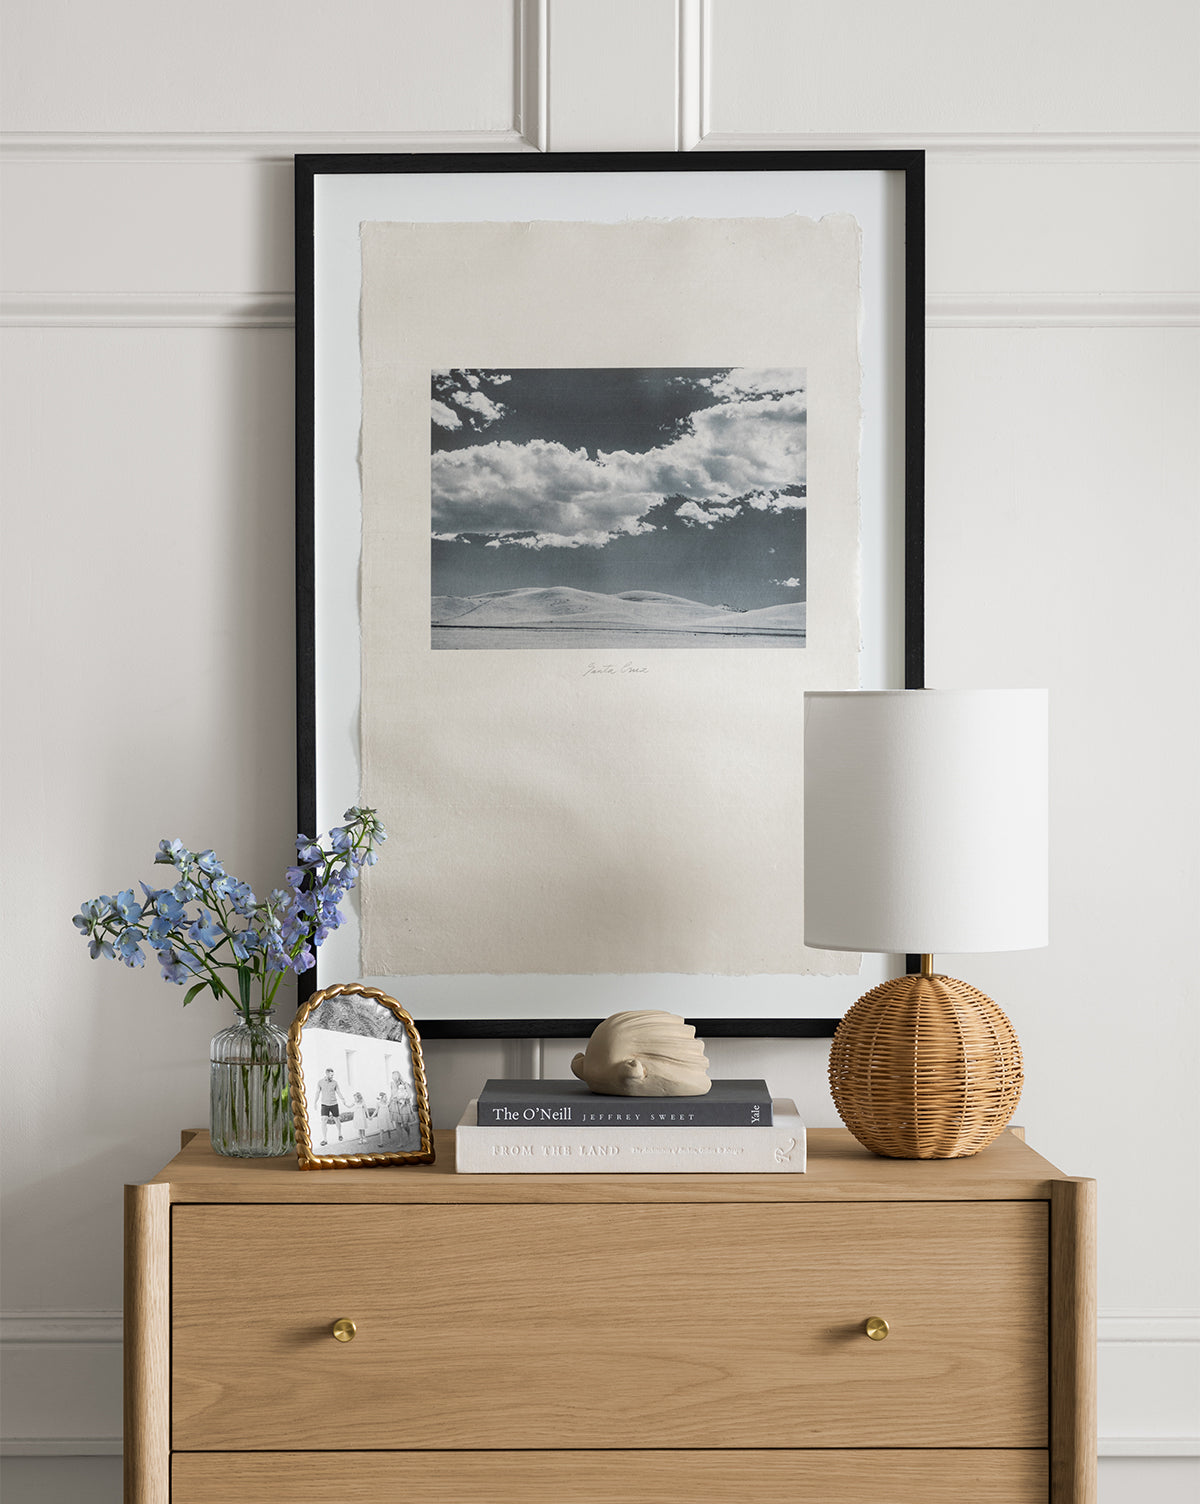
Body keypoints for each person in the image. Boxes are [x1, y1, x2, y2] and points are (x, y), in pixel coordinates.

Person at [312, 1068, 347, 1147]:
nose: (332, 1076)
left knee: (336, 1119)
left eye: (333, 1075)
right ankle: (325, 1139)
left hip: (334, 1104)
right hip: (324, 1104)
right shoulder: (320, 1082)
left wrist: (343, 1099)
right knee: (324, 1120)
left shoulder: (335, 1082)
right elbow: (317, 1092)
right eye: (331, 1075)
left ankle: (340, 1134)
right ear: (327, 1074)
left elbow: (338, 1091)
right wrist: (315, 1102)